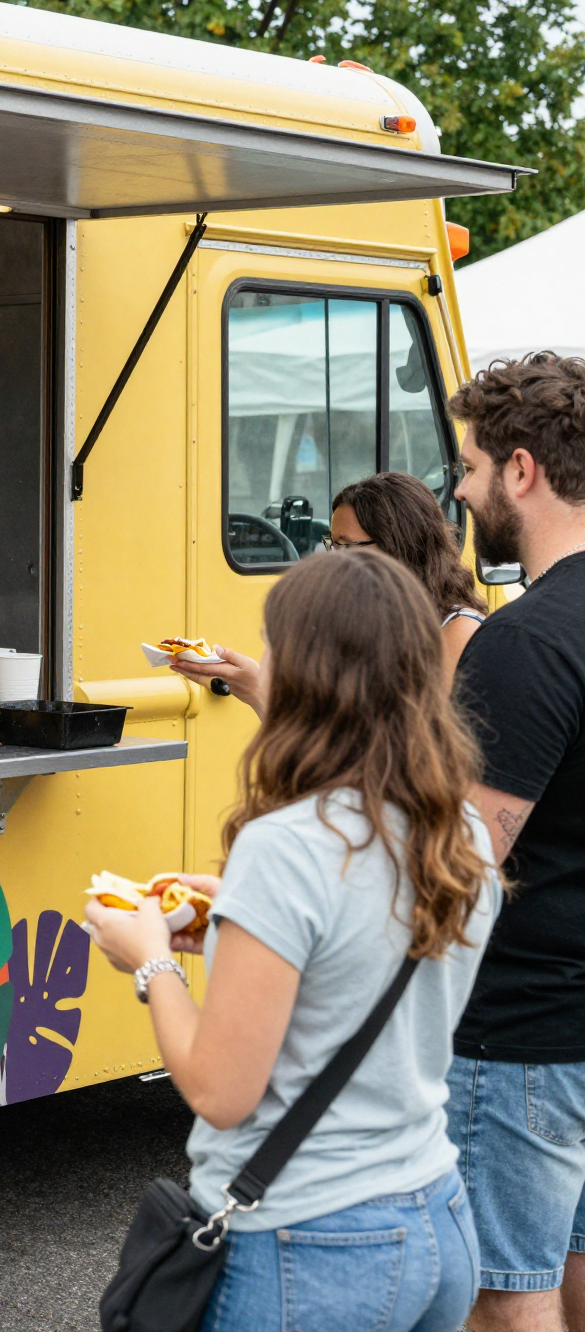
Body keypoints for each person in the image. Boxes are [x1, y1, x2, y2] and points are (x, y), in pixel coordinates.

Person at [86, 548, 498, 1332]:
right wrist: (241, 923)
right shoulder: (461, 829)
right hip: (436, 1218)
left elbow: (219, 1089)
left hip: (311, 1242)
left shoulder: (286, 846)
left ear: (310, 674)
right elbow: (361, 961)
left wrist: (152, 964)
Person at [437, 353, 585, 1332]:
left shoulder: (526, 638)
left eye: (472, 464)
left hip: (521, 1033)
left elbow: (463, 860)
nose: (459, 486)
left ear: (521, 470)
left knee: (505, 1291)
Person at [178, 468, 485, 707]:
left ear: (401, 547)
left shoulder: (457, 631)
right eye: (332, 545)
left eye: (349, 547)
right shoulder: (366, 623)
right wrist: (257, 689)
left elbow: (401, 757)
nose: (336, 561)